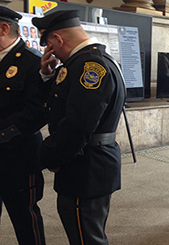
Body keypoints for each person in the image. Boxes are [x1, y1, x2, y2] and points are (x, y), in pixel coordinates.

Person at [33, 10, 126, 244]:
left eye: (50, 45)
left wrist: (52, 157)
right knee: (87, 234)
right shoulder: (88, 61)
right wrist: (46, 75)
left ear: (58, 39)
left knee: (86, 238)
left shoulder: (90, 66)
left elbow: (78, 126)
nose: (51, 52)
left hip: (85, 167)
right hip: (90, 164)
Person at [0, 7, 48, 245]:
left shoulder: (32, 62)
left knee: (24, 218)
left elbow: (36, 113)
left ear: (3, 28)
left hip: (18, 156)